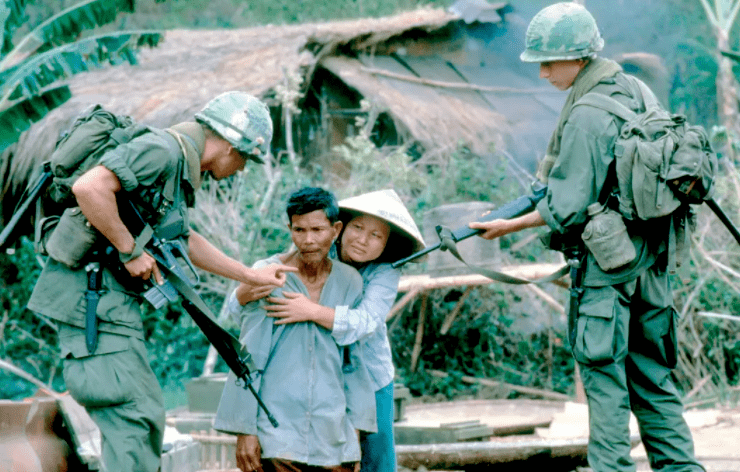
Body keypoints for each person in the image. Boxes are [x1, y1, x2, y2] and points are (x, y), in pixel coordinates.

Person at [468, 4, 704, 472]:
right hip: (655, 261)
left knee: (605, 382)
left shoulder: (587, 114)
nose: (542, 73)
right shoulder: (636, 89)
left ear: (578, 57)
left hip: (608, 270)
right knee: (655, 378)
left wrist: (507, 224)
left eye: (549, 62)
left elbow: (566, 205)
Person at [26, 91, 295, 472]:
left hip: (108, 308)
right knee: (136, 419)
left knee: (141, 420)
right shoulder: (164, 151)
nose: (242, 169)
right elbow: (90, 188)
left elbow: (182, 238)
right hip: (93, 306)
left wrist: (250, 275)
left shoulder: (177, 167)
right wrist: (129, 249)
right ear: (231, 147)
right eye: (246, 159)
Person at [231, 188, 425, 472]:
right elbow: (240, 308)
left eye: (376, 235)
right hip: (317, 378)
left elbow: (367, 322)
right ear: (339, 229)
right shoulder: (316, 250)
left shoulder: (385, 272)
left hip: (369, 374)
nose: (362, 239)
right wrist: (255, 282)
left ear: (387, 243)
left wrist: (311, 310)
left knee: (375, 458)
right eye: (358, 227)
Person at [214, 187, 378, 472]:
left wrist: (356, 430)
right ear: (289, 229)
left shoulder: (350, 281)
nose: (309, 240)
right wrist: (245, 429)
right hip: (278, 435)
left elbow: (354, 361)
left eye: (317, 229)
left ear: (336, 229)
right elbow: (247, 357)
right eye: (299, 230)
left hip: (333, 436)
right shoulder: (269, 275)